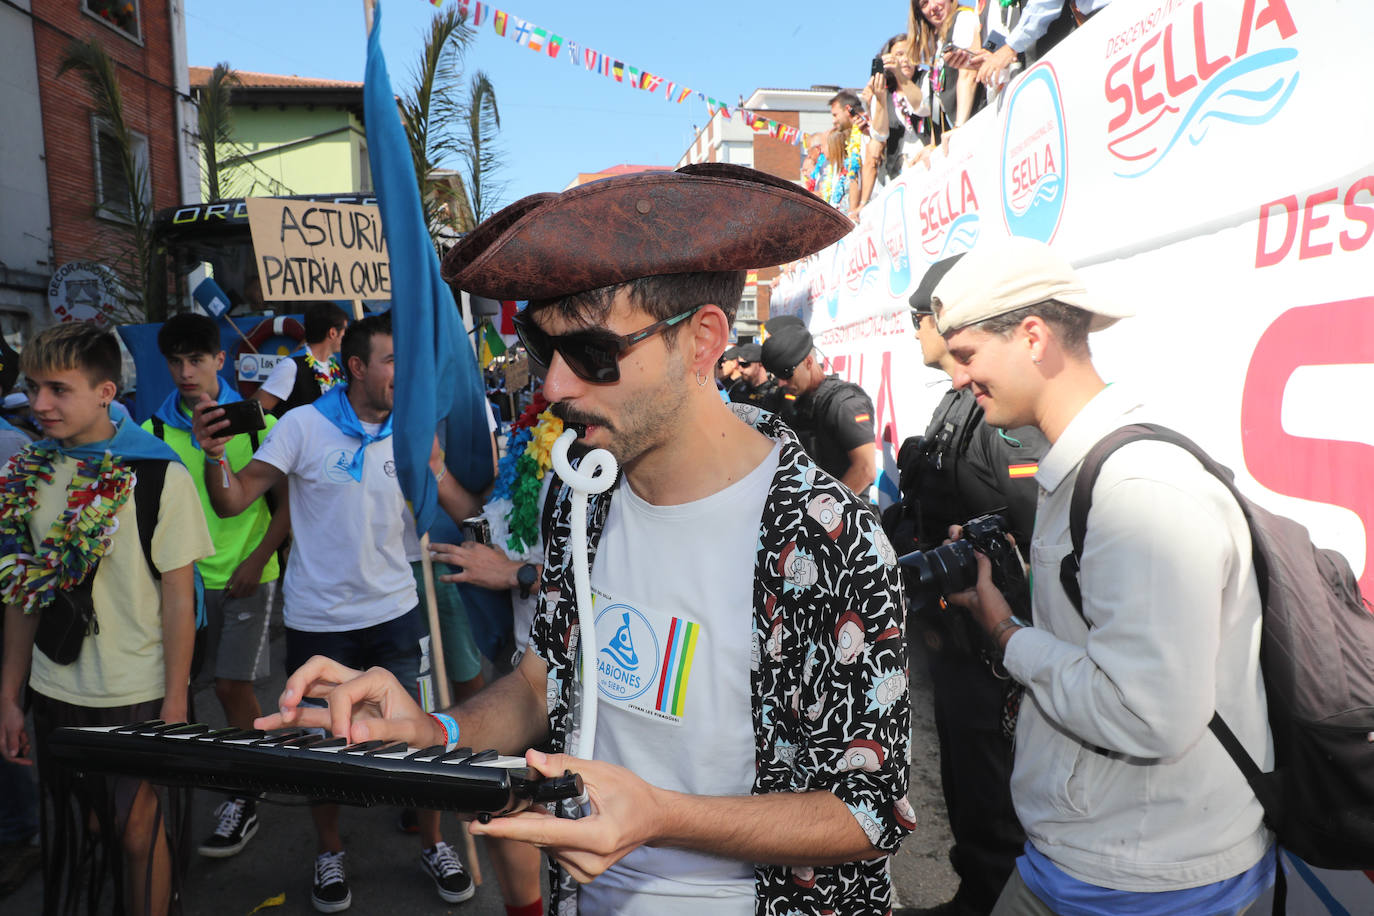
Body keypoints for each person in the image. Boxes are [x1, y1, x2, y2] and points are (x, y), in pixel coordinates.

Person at [259, 163, 912, 915]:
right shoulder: (584, 494)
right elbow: (544, 682)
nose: (557, 387)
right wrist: (433, 727)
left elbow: (869, 812)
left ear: (702, 341)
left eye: (594, 356)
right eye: (545, 351)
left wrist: (663, 817)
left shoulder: (826, 535)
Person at [931, 237, 1275, 914]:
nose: (956, 380)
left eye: (965, 355)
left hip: (1151, 881)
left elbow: (1148, 717)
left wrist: (1005, 633)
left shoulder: (1137, 490)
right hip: (1097, 857)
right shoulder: (1093, 471)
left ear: (1032, 337)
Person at [191, 313, 487, 912]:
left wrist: (430, 464)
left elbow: (465, 508)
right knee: (318, 745)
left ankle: (432, 843)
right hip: (319, 623)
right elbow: (231, 500)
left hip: (398, 613)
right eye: (393, 362)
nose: (406, 375)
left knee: (422, 737)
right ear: (356, 367)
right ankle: (328, 851)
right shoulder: (303, 426)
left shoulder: (411, 427)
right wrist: (213, 453)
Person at [1, 321, 213, 916]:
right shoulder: (26, 474)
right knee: (95, 824)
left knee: (137, 831)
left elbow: (178, 597)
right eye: (33, 386)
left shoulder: (157, 474)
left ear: (105, 393)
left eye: (59, 389)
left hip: (138, 690)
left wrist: (176, 702)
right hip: (56, 688)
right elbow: (23, 594)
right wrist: (10, 695)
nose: (39, 403)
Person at [887, 256, 1045, 916]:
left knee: (991, 790)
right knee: (964, 783)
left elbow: (1032, 540)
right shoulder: (962, 401)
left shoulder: (1004, 418)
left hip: (995, 647)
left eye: (919, 319)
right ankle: (975, 891)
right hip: (958, 636)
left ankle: (992, 896)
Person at [142, 312, 292, 860]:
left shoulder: (258, 425)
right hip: (180, 586)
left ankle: (246, 790)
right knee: (176, 691)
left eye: (197, 359)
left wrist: (257, 560)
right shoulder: (152, 432)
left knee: (231, 687)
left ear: (220, 360)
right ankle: (177, 792)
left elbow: (287, 509)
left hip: (246, 579)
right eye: (176, 362)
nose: (186, 372)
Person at [762, 323, 877, 496]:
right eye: (776, 376)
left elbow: (865, 470)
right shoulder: (802, 401)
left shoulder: (844, 403)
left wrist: (825, 509)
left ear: (808, 362)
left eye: (786, 374)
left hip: (842, 516)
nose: (781, 383)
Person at [252, 301, 349, 417]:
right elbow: (254, 411)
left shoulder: (335, 366)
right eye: (344, 331)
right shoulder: (291, 366)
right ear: (332, 333)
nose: (346, 337)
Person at [827, 90, 868, 219]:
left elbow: (857, 173)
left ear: (847, 109)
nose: (834, 121)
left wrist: (853, 210)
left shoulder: (866, 127)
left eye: (835, 115)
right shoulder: (853, 138)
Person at [728, 342, 783, 414]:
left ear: (760, 363)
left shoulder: (775, 393)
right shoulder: (737, 388)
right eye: (739, 364)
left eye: (745, 364)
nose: (740, 369)